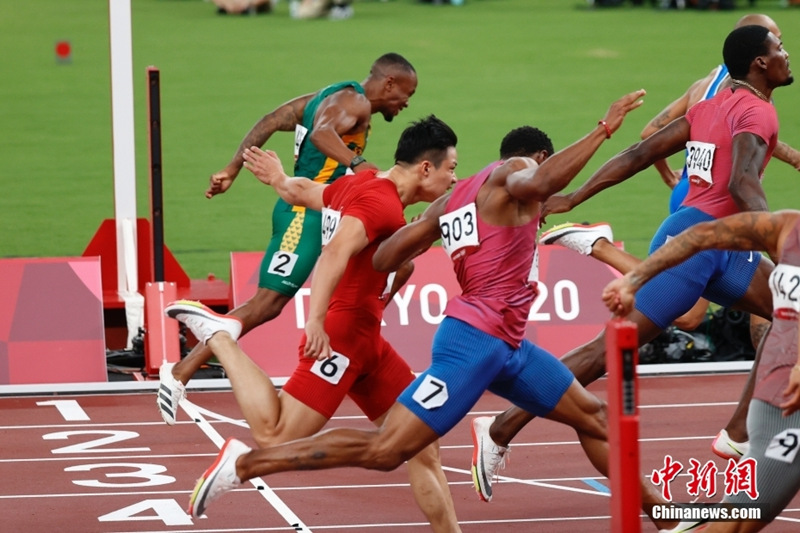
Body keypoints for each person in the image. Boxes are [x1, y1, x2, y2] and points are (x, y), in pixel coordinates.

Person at [175, 90, 702, 532]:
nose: (454, 175)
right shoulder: (516, 171)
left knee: (595, 419)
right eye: (449, 167)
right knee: (385, 450)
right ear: (531, 162)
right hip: (470, 344)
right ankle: (244, 463)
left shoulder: (443, 203)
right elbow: (542, 185)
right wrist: (605, 128)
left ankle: (666, 518)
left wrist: (388, 270)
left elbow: (384, 251)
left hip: (509, 346)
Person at [472, 23, 793, 503]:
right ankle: (499, 428)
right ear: (760, 64)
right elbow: (744, 183)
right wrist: (786, 253)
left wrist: (577, 194)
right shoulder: (754, 112)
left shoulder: (712, 106)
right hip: (692, 247)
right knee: (606, 352)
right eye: (779, 47)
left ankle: (741, 432)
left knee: (787, 316)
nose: (788, 53)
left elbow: (640, 152)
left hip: (718, 245)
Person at [166, 115, 461, 529]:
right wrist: (316, 322)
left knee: (421, 446)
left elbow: (305, 191)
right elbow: (335, 253)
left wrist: (278, 179)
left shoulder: (363, 183)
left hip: (369, 343)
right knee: (274, 436)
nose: (452, 179)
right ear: (426, 167)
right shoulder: (380, 202)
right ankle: (221, 338)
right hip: (341, 338)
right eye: (451, 169)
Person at [157, 53, 418, 425]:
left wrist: (233, 167)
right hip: (305, 213)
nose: (407, 103)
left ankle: (365, 358)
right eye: (406, 93)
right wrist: (358, 165)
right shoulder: (354, 102)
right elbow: (321, 134)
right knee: (269, 302)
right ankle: (180, 371)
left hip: (328, 211)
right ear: (389, 83)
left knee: (397, 264)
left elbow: (271, 120)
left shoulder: (327, 95)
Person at [602, 209, 800, 532]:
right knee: (738, 521)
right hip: (781, 404)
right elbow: (700, 235)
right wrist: (633, 280)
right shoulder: (788, 227)